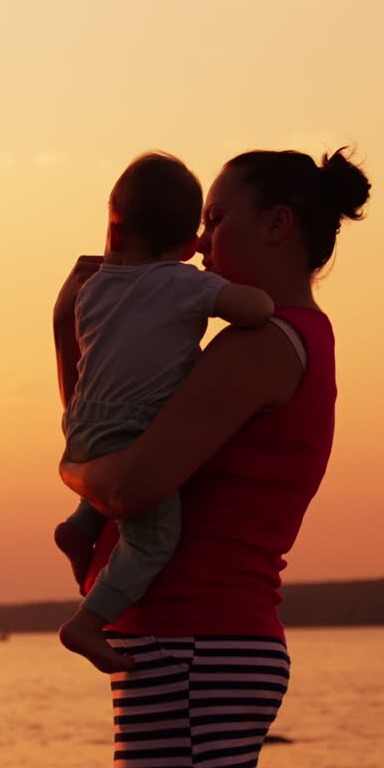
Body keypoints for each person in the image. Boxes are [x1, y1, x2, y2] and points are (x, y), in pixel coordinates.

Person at [53, 147, 371, 768]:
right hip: (192, 644)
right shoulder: (274, 341)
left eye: (217, 219)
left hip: (197, 646)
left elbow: (131, 481)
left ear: (278, 225)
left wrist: (72, 473)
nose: (199, 240)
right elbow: (112, 424)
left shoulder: (261, 344)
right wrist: (68, 332)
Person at [56, 152, 275, 675]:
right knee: (153, 540)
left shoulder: (93, 288)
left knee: (108, 454)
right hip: (131, 429)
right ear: (189, 243)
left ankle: (82, 522)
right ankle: (87, 622)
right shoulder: (184, 285)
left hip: (82, 425)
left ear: (116, 230)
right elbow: (256, 310)